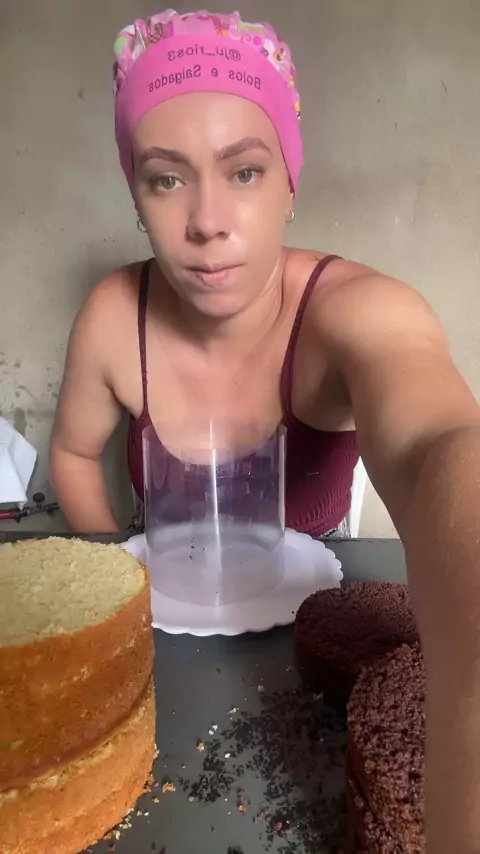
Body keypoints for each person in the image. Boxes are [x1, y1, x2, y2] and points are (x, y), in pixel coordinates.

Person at [50, 10, 480, 851]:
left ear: (290, 180)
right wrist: (117, 606)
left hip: (308, 670)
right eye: (165, 179)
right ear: (135, 195)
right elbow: (70, 453)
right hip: (168, 655)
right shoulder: (112, 316)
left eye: (244, 171)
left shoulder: (359, 311)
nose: (207, 220)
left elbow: (441, 446)